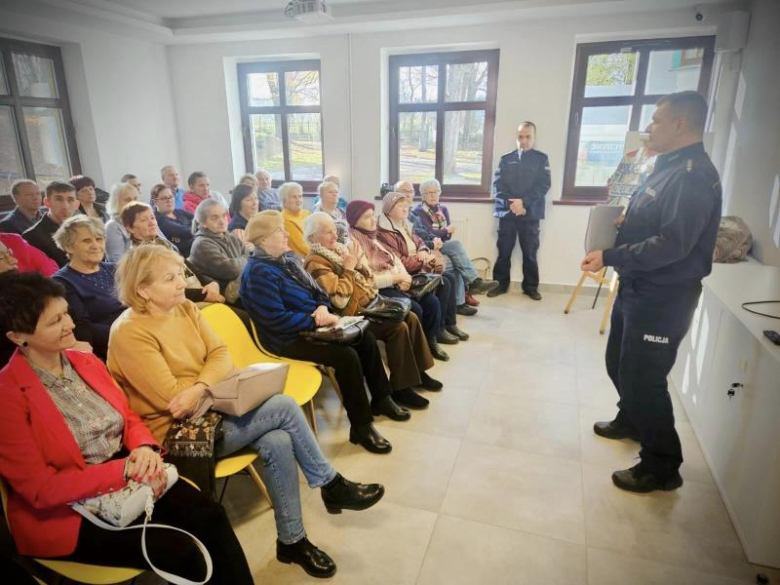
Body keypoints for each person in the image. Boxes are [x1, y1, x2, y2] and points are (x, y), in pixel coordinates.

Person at [108, 246, 383, 577]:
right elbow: (173, 400)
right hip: (176, 435)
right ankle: (329, 484)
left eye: (181, 272)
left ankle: (292, 541)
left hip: (213, 407)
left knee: (280, 440)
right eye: (170, 278)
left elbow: (221, 354)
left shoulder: (185, 309)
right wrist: (206, 385)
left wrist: (199, 387)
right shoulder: (129, 331)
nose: (182, 282)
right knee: (282, 406)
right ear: (142, 289)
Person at [0, 271, 254, 584]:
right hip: (71, 509)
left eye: (66, 313)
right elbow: (40, 489)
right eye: (55, 322)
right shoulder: (8, 394)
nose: (70, 325)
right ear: (17, 336)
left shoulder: (83, 361)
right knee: (182, 551)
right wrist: (123, 470)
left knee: (210, 516)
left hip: (127, 470)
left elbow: (127, 416)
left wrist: (144, 447)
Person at [581, 91, 722, 493]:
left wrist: (609, 253)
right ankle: (631, 419)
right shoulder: (667, 165)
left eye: (657, 120)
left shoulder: (692, 174)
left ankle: (661, 464)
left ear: (681, 124)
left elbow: (673, 244)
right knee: (619, 362)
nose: (649, 128)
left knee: (645, 376)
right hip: (638, 284)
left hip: (664, 295)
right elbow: (653, 216)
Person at [240, 210, 397, 453]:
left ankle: (381, 398)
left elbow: (319, 292)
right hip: (285, 338)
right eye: (279, 230)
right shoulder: (257, 273)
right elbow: (274, 320)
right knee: (346, 356)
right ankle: (361, 427)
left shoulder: (289, 259)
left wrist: (323, 307)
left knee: (364, 337)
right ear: (262, 240)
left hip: (314, 323)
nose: (286, 233)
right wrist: (314, 321)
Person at [304, 212, 441, 410]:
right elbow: (339, 299)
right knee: (398, 327)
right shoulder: (316, 262)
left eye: (334, 230)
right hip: (352, 314)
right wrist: (350, 269)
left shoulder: (338, 251)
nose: (334, 236)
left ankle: (417, 375)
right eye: (327, 233)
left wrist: (359, 265)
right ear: (312, 238)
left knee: (410, 316)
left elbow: (369, 280)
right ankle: (401, 388)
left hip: (370, 302)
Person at [346, 200, 451, 362]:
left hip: (398, 280)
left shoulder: (373, 238)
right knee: (415, 309)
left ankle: (430, 342)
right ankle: (415, 352)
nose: (374, 220)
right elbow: (369, 280)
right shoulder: (354, 244)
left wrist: (406, 278)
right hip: (379, 289)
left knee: (431, 302)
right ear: (354, 221)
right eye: (368, 217)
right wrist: (398, 278)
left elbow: (395, 260)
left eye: (373, 215)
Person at [377, 192, 467, 344]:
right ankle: (435, 334)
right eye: (400, 206)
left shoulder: (405, 224)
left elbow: (420, 242)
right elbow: (399, 260)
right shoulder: (384, 232)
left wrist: (423, 251)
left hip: (418, 266)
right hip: (406, 272)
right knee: (443, 284)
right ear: (389, 209)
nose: (405, 209)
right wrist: (423, 262)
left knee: (448, 279)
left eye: (406, 206)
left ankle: (448, 325)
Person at [410, 179, 499, 309]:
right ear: (422, 195)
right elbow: (428, 233)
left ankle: (460, 303)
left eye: (436, 192)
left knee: (456, 259)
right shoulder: (418, 211)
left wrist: (443, 233)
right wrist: (444, 232)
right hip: (430, 246)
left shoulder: (443, 209)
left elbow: (447, 235)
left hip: (443, 245)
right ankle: (474, 282)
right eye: (429, 193)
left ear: (440, 193)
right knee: (456, 245)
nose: (433, 195)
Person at [490, 121, 551, 300]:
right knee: (503, 252)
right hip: (507, 214)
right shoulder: (505, 158)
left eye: (527, 137)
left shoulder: (541, 159)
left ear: (534, 137)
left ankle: (531, 287)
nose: (523, 141)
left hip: (530, 214)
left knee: (530, 253)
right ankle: (500, 285)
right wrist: (514, 205)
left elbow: (543, 185)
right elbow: (498, 185)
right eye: (520, 137)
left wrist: (524, 203)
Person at [121, 201, 223, 305]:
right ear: (130, 228)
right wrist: (204, 294)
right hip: (180, 305)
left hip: (199, 294)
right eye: (143, 220)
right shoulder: (140, 257)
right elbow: (166, 290)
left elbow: (188, 269)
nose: (151, 222)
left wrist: (212, 283)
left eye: (152, 218)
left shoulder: (163, 244)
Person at [52, 216, 124, 361]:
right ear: (68, 246)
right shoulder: (61, 282)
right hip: (110, 347)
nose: (96, 245)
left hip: (142, 332)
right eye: (87, 241)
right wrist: (129, 331)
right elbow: (83, 329)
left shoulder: (115, 268)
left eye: (99, 239)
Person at [189, 200, 250, 304]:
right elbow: (232, 270)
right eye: (215, 218)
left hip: (242, 282)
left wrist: (246, 259)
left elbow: (249, 255)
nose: (222, 221)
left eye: (223, 215)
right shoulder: (202, 244)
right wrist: (246, 259)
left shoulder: (229, 235)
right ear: (203, 222)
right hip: (228, 292)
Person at [23, 181, 80, 267]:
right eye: (59, 199)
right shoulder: (31, 236)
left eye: (70, 200)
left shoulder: (84, 228)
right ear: (46, 202)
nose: (65, 206)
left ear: (77, 205)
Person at [151, 183, 195, 257]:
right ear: (155, 201)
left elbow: (199, 220)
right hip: (182, 257)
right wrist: (197, 230)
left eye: (171, 197)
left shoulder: (179, 212)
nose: (169, 200)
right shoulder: (158, 219)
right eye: (164, 198)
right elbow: (185, 232)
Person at [104, 182, 139, 262]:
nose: (133, 203)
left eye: (135, 199)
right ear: (115, 202)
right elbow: (116, 262)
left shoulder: (146, 219)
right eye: (128, 200)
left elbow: (169, 246)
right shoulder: (112, 226)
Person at [280, 182, 312, 257]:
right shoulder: (284, 219)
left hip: (314, 253)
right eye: (294, 197)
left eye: (300, 196)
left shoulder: (307, 213)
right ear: (284, 201)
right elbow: (303, 246)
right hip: (302, 259)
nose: (298, 200)